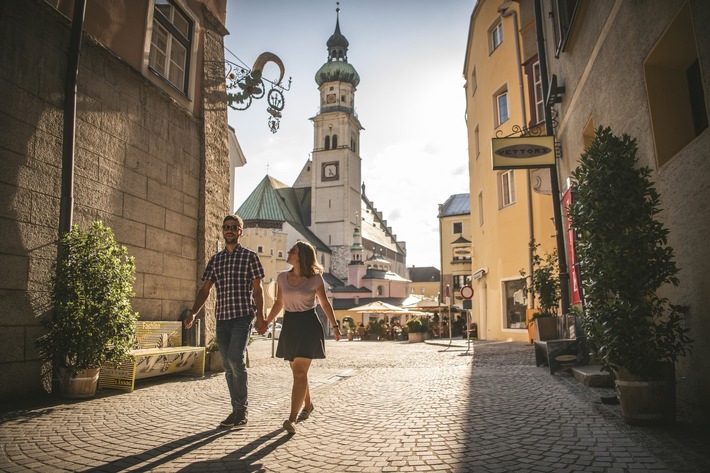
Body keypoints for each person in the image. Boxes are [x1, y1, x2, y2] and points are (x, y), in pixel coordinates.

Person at [184, 215, 265, 429]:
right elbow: (205, 290)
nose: (229, 230)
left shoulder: (250, 257)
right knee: (228, 365)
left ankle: (242, 410)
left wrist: (261, 316)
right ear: (222, 230)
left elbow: (258, 290)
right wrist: (193, 312)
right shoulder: (215, 260)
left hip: (243, 316)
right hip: (222, 318)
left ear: (240, 231)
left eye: (234, 227)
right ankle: (236, 410)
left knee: (235, 359)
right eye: (226, 227)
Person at [262, 240, 340, 435]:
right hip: (290, 326)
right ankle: (308, 405)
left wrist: (335, 326)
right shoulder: (282, 277)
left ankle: (291, 419)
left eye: (292, 251)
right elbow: (279, 303)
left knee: (299, 371)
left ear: (302, 256)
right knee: (298, 372)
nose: (288, 252)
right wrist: (266, 321)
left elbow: (324, 304)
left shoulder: (316, 279)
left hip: (308, 326)